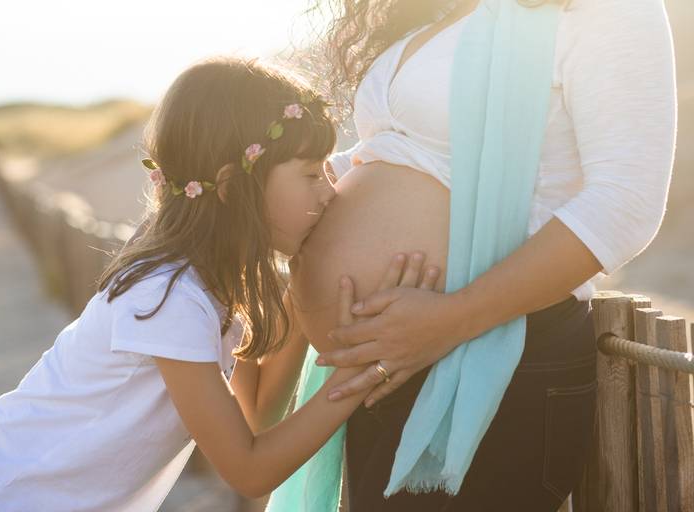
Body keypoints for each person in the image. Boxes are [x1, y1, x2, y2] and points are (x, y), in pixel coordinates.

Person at [0, 56, 440, 512]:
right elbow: (249, 469)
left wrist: (306, 295)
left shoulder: (209, 282)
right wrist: (367, 365)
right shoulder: (168, 293)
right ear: (236, 185)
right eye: (310, 174)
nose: (331, 192)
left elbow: (257, 415)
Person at [280, 0, 677, 510]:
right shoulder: (440, 14)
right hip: (387, 364)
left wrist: (451, 318)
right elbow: (393, 156)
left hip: (501, 357)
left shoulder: (601, 9)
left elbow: (625, 205)